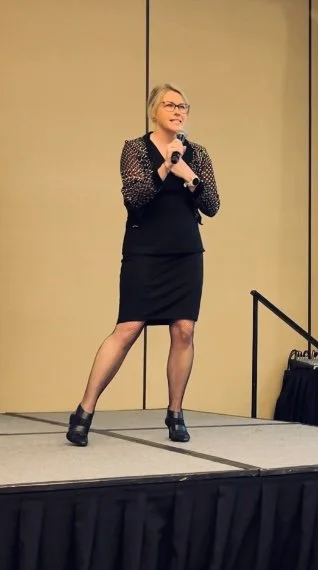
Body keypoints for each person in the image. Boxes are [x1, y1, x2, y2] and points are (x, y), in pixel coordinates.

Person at [66, 83, 220, 447]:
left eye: (183, 106)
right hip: (145, 250)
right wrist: (167, 166)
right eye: (170, 105)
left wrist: (191, 177)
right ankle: (84, 411)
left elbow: (212, 204)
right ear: (155, 110)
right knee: (128, 328)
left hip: (185, 251)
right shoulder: (134, 149)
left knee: (184, 330)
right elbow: (135, 199)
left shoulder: (197, 154)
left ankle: (176, 413)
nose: (178, 111)